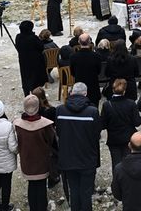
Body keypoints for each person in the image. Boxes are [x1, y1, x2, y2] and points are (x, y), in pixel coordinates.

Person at [55, 82, 101, 211]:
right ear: (86, 94)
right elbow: (96, 134)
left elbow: (59, 132)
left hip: (68, 158)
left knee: (74, 192)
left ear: (71, 92)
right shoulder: (92, 112)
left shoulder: (60, 111)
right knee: (86, 193)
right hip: (87, 158)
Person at [15, 95, 57, 211]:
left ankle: (33, 208)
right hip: (41, 160)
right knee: (41, 186)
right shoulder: (46, 125)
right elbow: (51, 139)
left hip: (27, 160)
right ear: (38, 106)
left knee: (32, 185)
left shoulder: (18, 125)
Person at [101, 79, 141, 173]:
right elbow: (137, 122)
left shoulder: (107, 105)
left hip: (113, 139)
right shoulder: (131, 103)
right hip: (128, 138)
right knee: (129, 163)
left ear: (113, 89)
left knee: (116, 165)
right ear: (124, 91)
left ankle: (117, 184)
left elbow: (103, 125)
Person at [70, 33, 103, 105]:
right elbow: (98, 71)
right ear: (90, 41)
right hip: (93, 85)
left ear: (79, 42)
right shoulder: (96, 56)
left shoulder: (73, 57)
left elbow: (72, 72)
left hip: (80, 85)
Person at [16, 20, 48, 95]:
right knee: (35, 81)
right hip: (35, 62)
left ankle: (27, 95)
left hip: (24, 62)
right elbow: (41, 47)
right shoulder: (33, 38)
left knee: (26, 79)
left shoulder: (18, 37)